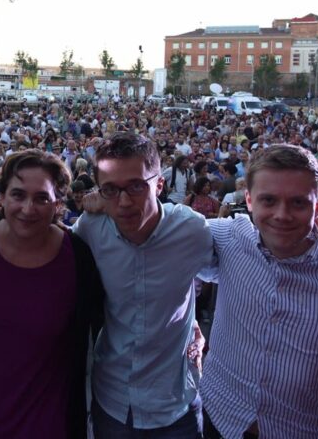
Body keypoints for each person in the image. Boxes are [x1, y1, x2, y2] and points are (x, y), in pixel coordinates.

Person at [199, 144, 318, 439]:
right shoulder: (229, 237)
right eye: (269, 200)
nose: (281, 215)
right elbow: (160, 229)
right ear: (249, 200)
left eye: (298, 203)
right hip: (220, 418)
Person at [74, 132, 213, 436]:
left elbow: (243, 257)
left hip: (175, 403)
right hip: (112, 399)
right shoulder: (90, 228)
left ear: (159, 184)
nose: (124, 202)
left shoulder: (192, 231)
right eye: (111, 189)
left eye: (136, 186)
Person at [0, 149, 103, 438]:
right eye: (17, 195)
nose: (28, 208)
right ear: (0, 197)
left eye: (42, 198)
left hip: (50, 421)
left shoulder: (78, 257)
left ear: (58, 204)